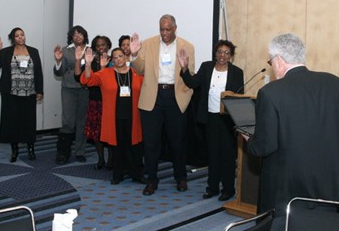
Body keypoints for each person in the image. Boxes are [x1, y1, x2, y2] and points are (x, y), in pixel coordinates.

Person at [245, 33, 339, 231]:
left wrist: (249, 139)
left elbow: (265, 146)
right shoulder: (334, 84)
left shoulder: (270, 93)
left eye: (270, 61)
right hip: (328, 183)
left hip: (286, 190)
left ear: (278, 60)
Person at [129, 14, 195, 196]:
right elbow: (139, 69)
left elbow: (190, 75)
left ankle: (181, 177)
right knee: (151, 143)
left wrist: (184, 68)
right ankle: (151, 180)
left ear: (175, 28)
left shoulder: (187, 46)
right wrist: (134, 54)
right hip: (153, 97)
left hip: (175, 97)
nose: (164, 33)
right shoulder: (149, 44)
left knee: (177, 142)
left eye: (168, 29)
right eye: (161, 29)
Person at [178, 40, 244, 201]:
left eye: (227, 53)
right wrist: (185, 68)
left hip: (227, 119)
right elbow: (193, 83)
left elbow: (239, 95)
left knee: (228, 156)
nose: (223, 55)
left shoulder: (237, 72)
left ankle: (228, 189)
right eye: (220, 52)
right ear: (215, 53)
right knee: (213, 154)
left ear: (231, 56)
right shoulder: (207, 67)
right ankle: (212, 188)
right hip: (210, 118)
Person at [80, 47, 146, 184]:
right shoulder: (105, 73)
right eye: (115, 57)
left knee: (134, 147)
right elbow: (87, 80)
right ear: (111, 60)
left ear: (126, 57)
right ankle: (118, 175)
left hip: (133, 116)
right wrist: (87, 64)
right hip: (114, 117)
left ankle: (137, 174)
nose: (118, 59)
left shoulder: (136, 73)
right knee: (117, 147)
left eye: (120, 56)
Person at [0, 27, 43, 162]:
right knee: (12, 122)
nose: (20, 37)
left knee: (28, 122)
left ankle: (31, 148)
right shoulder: (6, 52)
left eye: (22, 35)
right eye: (17, 36)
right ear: (13, 39)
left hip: (29, 93)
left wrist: (40, 91)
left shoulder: (34, 51)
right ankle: (14, 150)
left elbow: (38, 72)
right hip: (11, 93)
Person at [75, 35, 113, 169]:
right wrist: (80, 60)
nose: (101, 47)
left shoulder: (115, 60)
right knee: (97, 133)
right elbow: (80, 77)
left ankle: (111, 160)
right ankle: (101, 159)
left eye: (103, 44)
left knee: (110, 132)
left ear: (108, 46)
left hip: (110, 102)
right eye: (98, 45)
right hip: (95, 101)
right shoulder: (91, 61)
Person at [53, 25, 89, 164]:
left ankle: (80, 152)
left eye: (80, 34)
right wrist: (57, 61)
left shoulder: (91, 50)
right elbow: (58, 72)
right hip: (68, 88)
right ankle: (63, 153)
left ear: (84, 35)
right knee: (68, 121)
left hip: (85, 90)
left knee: (82, 122)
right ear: (71, 37)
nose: (77, 36)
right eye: (74, 34)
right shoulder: (65, 50)